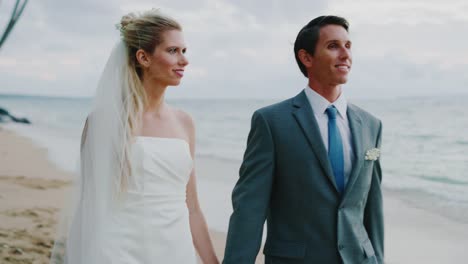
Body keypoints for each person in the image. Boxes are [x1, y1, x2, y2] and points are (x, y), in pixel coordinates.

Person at [51, 9, 218, 264]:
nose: (184, 61)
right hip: (116, 249)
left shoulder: (185, 123)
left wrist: (212, 262)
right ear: (144, 57)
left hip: (174, 249)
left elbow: (192, 207)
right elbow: (88, 204)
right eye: (173, 51)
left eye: (184, 51)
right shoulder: (103, 122)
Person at [223, 15, 384, 264]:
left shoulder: (371, 125)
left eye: (348, 46)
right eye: (333, 46)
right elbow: (249, 209)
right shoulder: (271, 122)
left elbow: (372, 208)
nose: (345, 54)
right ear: (306, 57)